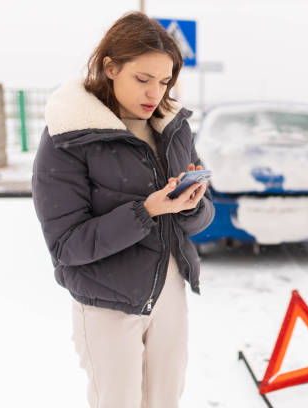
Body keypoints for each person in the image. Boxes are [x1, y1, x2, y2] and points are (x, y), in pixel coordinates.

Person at [31, 11, 215, 408]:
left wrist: (188, 206)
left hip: (169, 290)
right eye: (143, 79)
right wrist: (145, 211)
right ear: (110, 67)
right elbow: (66, 246)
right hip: (106, 302)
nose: (155, 94)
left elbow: (202, 216)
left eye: (164, 82)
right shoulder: (69, 136)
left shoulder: (173, 127)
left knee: (165, 401)